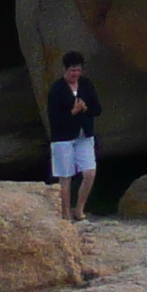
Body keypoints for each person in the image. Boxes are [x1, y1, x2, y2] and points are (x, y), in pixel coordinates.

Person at [45, 51, 101, 221]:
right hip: (63, 138)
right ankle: (66, 213)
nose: (75, 74)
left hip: (84, 135)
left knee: (90, 173)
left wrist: (85, 109)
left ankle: (79, 208)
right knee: (65, 177)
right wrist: (73, 112)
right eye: (72, 71)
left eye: (78, 70)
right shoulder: (56, 89)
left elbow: (97, 109)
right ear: (65, 70)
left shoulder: (86, 85)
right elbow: (54, 119)